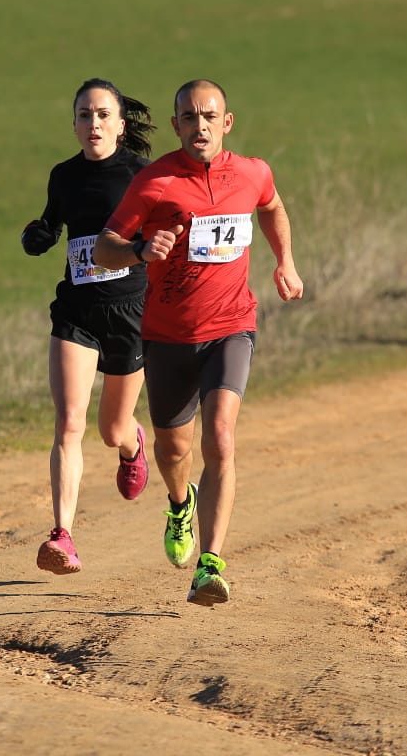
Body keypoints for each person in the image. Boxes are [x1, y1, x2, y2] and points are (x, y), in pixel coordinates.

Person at [94, 79, 304, 607]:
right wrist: (142, 250)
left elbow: (272, 208)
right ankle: (178, 502)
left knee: (222, 439)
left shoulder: (252, 172)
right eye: (189, 117)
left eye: (209, 116)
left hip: (232, 326)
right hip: (167, 336)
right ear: (176, 126)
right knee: (174, 449)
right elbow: (104, 247)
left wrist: (286, 262)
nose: (200, 125)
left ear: (226, 122)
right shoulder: (154, 180)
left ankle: (210, 564)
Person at [21, 78, 155, 575]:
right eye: (83, 115)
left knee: (110, 429)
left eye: (102, 114)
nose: (92, 123)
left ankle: (132, 444)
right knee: (69, 423)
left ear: (120, 125)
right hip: (76, 311)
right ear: (74, 123)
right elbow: (52, 224)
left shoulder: (143, 175)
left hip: (129, 313)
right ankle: (63, 535)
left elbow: (169, 228)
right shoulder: (63, 176)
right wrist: (37, 235)